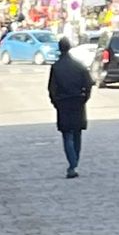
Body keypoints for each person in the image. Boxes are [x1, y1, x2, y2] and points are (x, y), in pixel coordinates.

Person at [47, 35, 92, 177]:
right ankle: (75, 162)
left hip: (63, 103)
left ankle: (72, 163)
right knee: (77, 133)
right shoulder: (79, 66)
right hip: (78, 102)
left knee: (67, 134)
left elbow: (52, 88)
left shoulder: (56, 67)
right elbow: (88, 84)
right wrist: (84, 98)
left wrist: (56, 102)